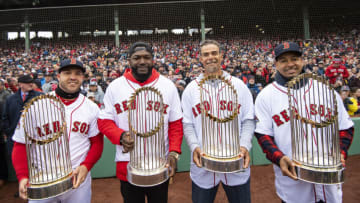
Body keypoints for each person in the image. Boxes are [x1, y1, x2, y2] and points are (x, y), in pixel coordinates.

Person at [254, 42, 354, 203]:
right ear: (276, 64)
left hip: (328, 180)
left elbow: (345, 128)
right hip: (294, 182)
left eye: (294, 58)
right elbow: (263, 135)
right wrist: (279, 158)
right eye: (284, 60)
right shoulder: (266, 96)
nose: (290, 64)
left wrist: (341, 152)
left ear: (302, 60)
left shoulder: (324, 89)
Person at [97, 42, 183, 203]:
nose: (142, 61)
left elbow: (175, 124)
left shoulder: (168, 86)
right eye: (137, 58)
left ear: (153, 60)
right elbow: (104, 121)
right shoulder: (115, 87)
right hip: (127, 162)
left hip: (160, 161)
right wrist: (120, 136)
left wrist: (174, 152)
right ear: (129, 61)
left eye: (147, 57)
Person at [11, 59, 104, 202]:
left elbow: (97, 143)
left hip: (77, 179)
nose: (73, 77)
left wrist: (86, 166)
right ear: (58, 76)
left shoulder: (92, 108)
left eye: (78, 73)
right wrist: (23, 176)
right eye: (67, 73)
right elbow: (20, 144)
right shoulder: (36, 106)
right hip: (42, 178)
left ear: (83, 78)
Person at [182, 40, 254, 203]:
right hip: (204, 163)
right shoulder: (191, 89)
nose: (210, 57)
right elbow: (188, 124)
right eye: (206, 54)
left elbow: (248, 120)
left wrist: (244, 146)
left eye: (214, 53)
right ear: (200, 58)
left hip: (236, 161)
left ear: (221, 56)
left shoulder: (238, 85)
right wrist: (194, 146)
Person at [2, 75, 42, 160]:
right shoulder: (11, 99)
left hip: (34, 138)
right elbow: (5, 117)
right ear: (20, 84)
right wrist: (9, 131)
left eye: (31, 82)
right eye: (28, 83)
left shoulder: (40, 97)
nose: (31, 84)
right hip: (14, 139)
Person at [0, 79, 11, 187]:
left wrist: (4, 130)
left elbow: (5, 116)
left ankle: (3, 177)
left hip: (2, 130)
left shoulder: (6, 96)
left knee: (2, 156)